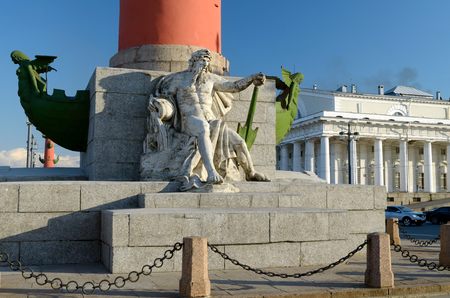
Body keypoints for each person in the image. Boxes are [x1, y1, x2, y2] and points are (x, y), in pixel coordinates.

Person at [154, 49, 269, 185]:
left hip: (211, 121)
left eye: (207, 61)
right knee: (203, 128)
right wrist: (160, 108)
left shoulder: (211, 79)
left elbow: (234, 86)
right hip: (189, 121)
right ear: (194, 61)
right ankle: (211, 171)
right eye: (202, 60)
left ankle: (251, 173)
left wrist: (251, 78)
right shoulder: (178, 79)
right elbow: (166, 99)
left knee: (239, 142)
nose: (205, 64)